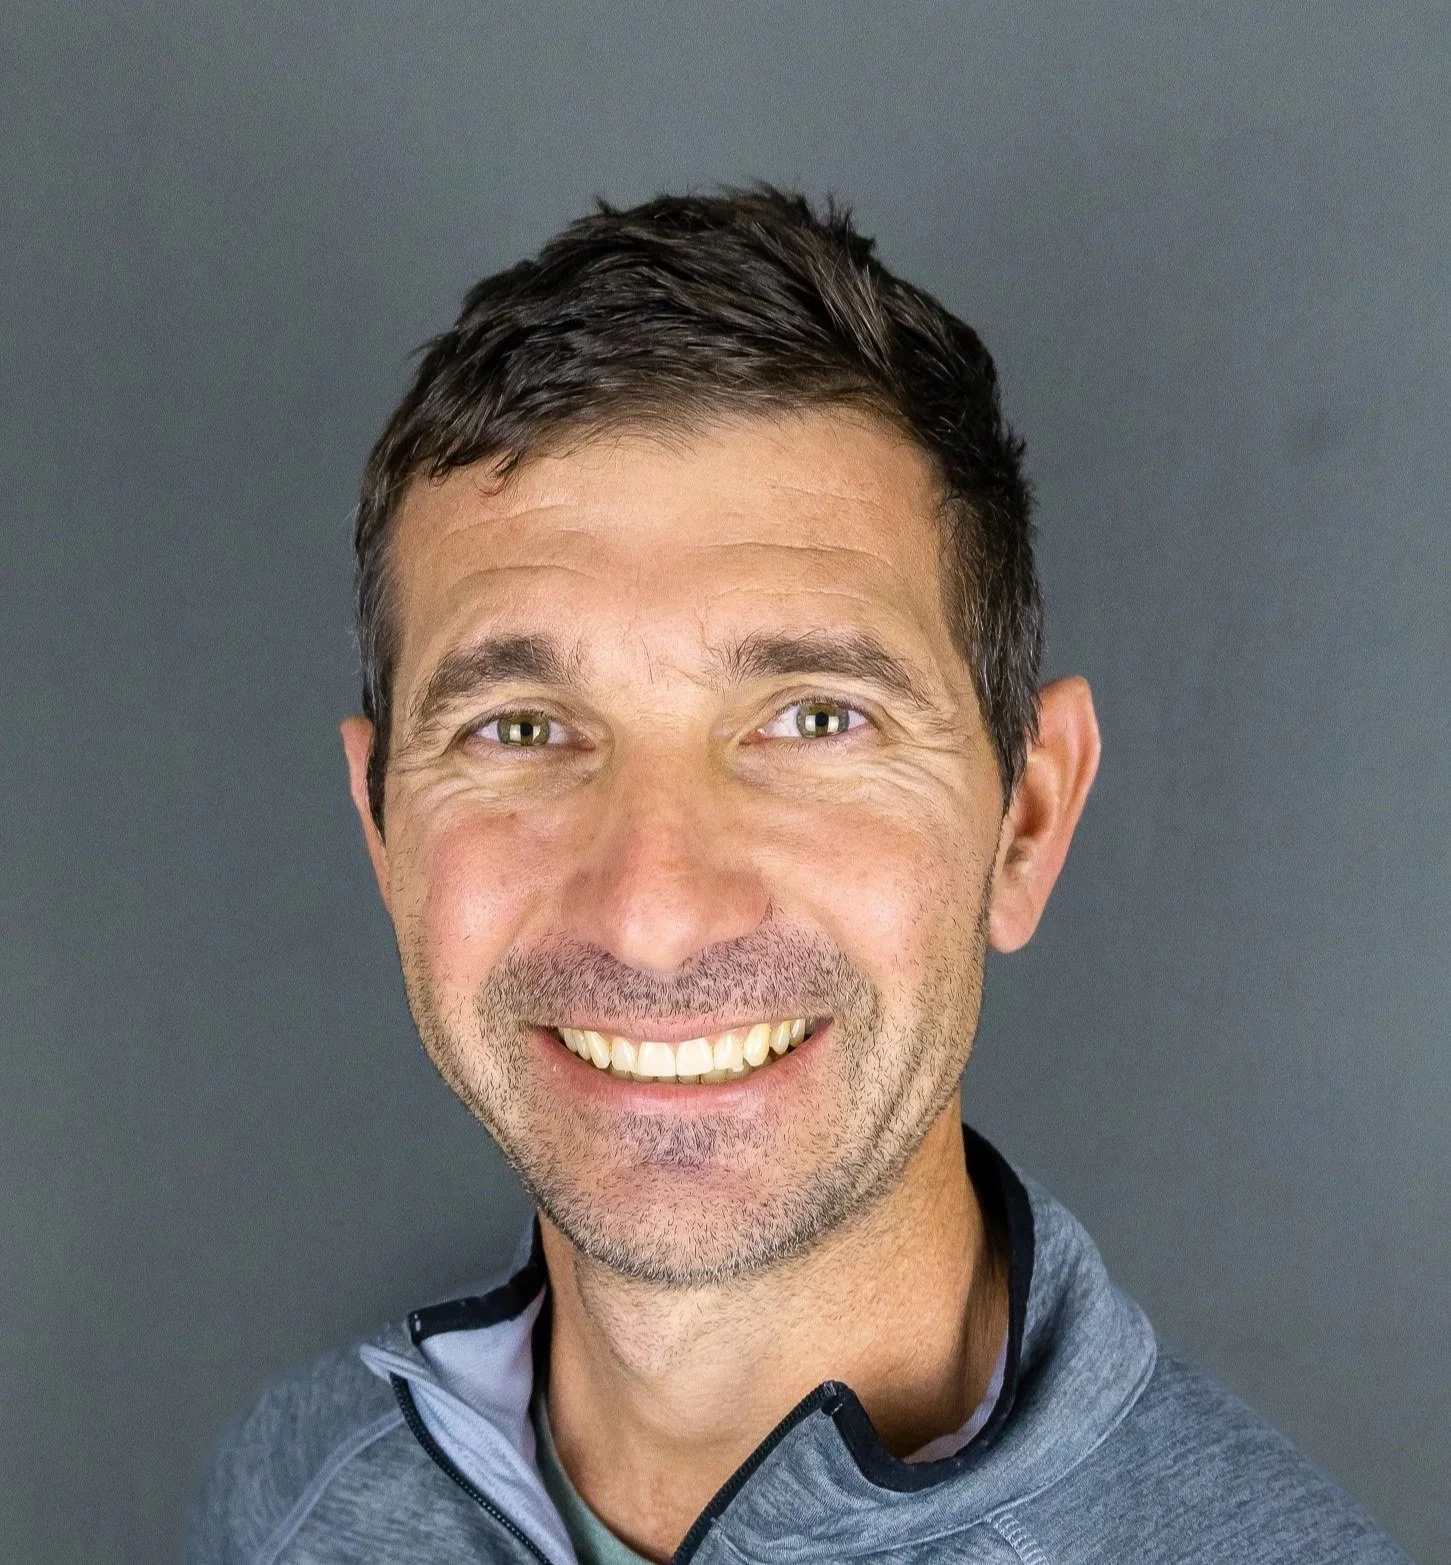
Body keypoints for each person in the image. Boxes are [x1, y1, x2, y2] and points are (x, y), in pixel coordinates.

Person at [185, 188, 1408, 1565]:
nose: (651, 912)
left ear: (1025, 821)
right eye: (520, 730)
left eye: (817, 718)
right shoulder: (289, 1492)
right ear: (382, 830)